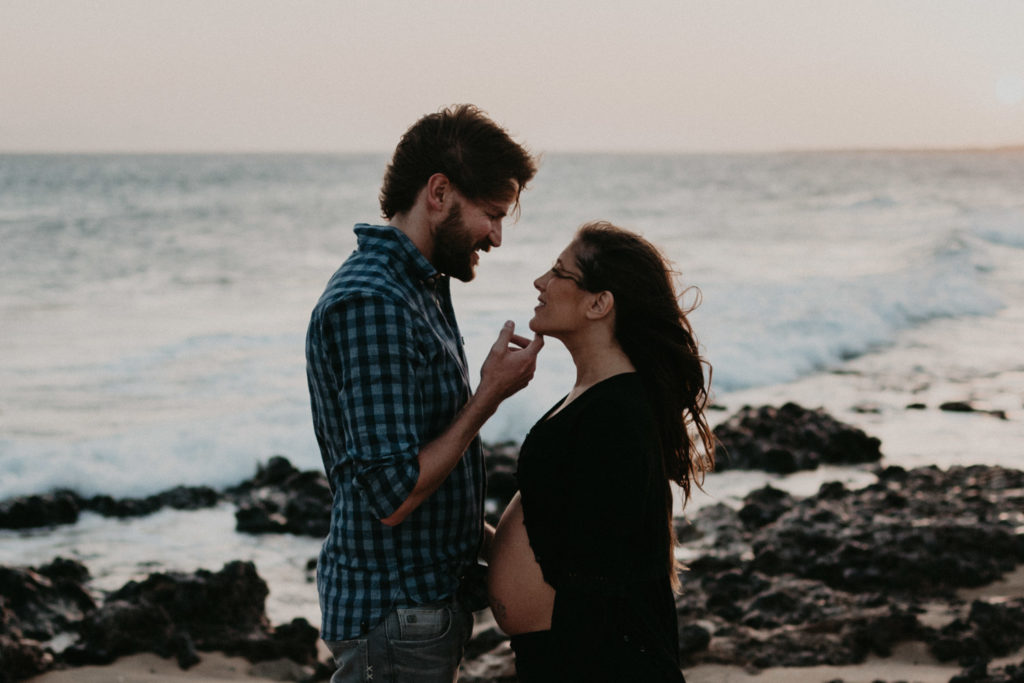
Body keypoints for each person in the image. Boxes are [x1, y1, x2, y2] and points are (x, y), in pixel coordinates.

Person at [306, 104, 541, 683]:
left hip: (417, 614)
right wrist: (488, 396)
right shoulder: (376, 304)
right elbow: (393, 494)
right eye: (491, 213)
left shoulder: (419, 287)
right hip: (394, 617)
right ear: (439, 192)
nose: (497, 236)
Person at [487, 221, 715, 682]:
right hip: (560, 655)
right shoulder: (598, 399)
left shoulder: (616, 415)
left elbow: (613, 582)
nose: (540, 282)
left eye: (558, 272)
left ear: (599, 303)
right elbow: (561, 541)